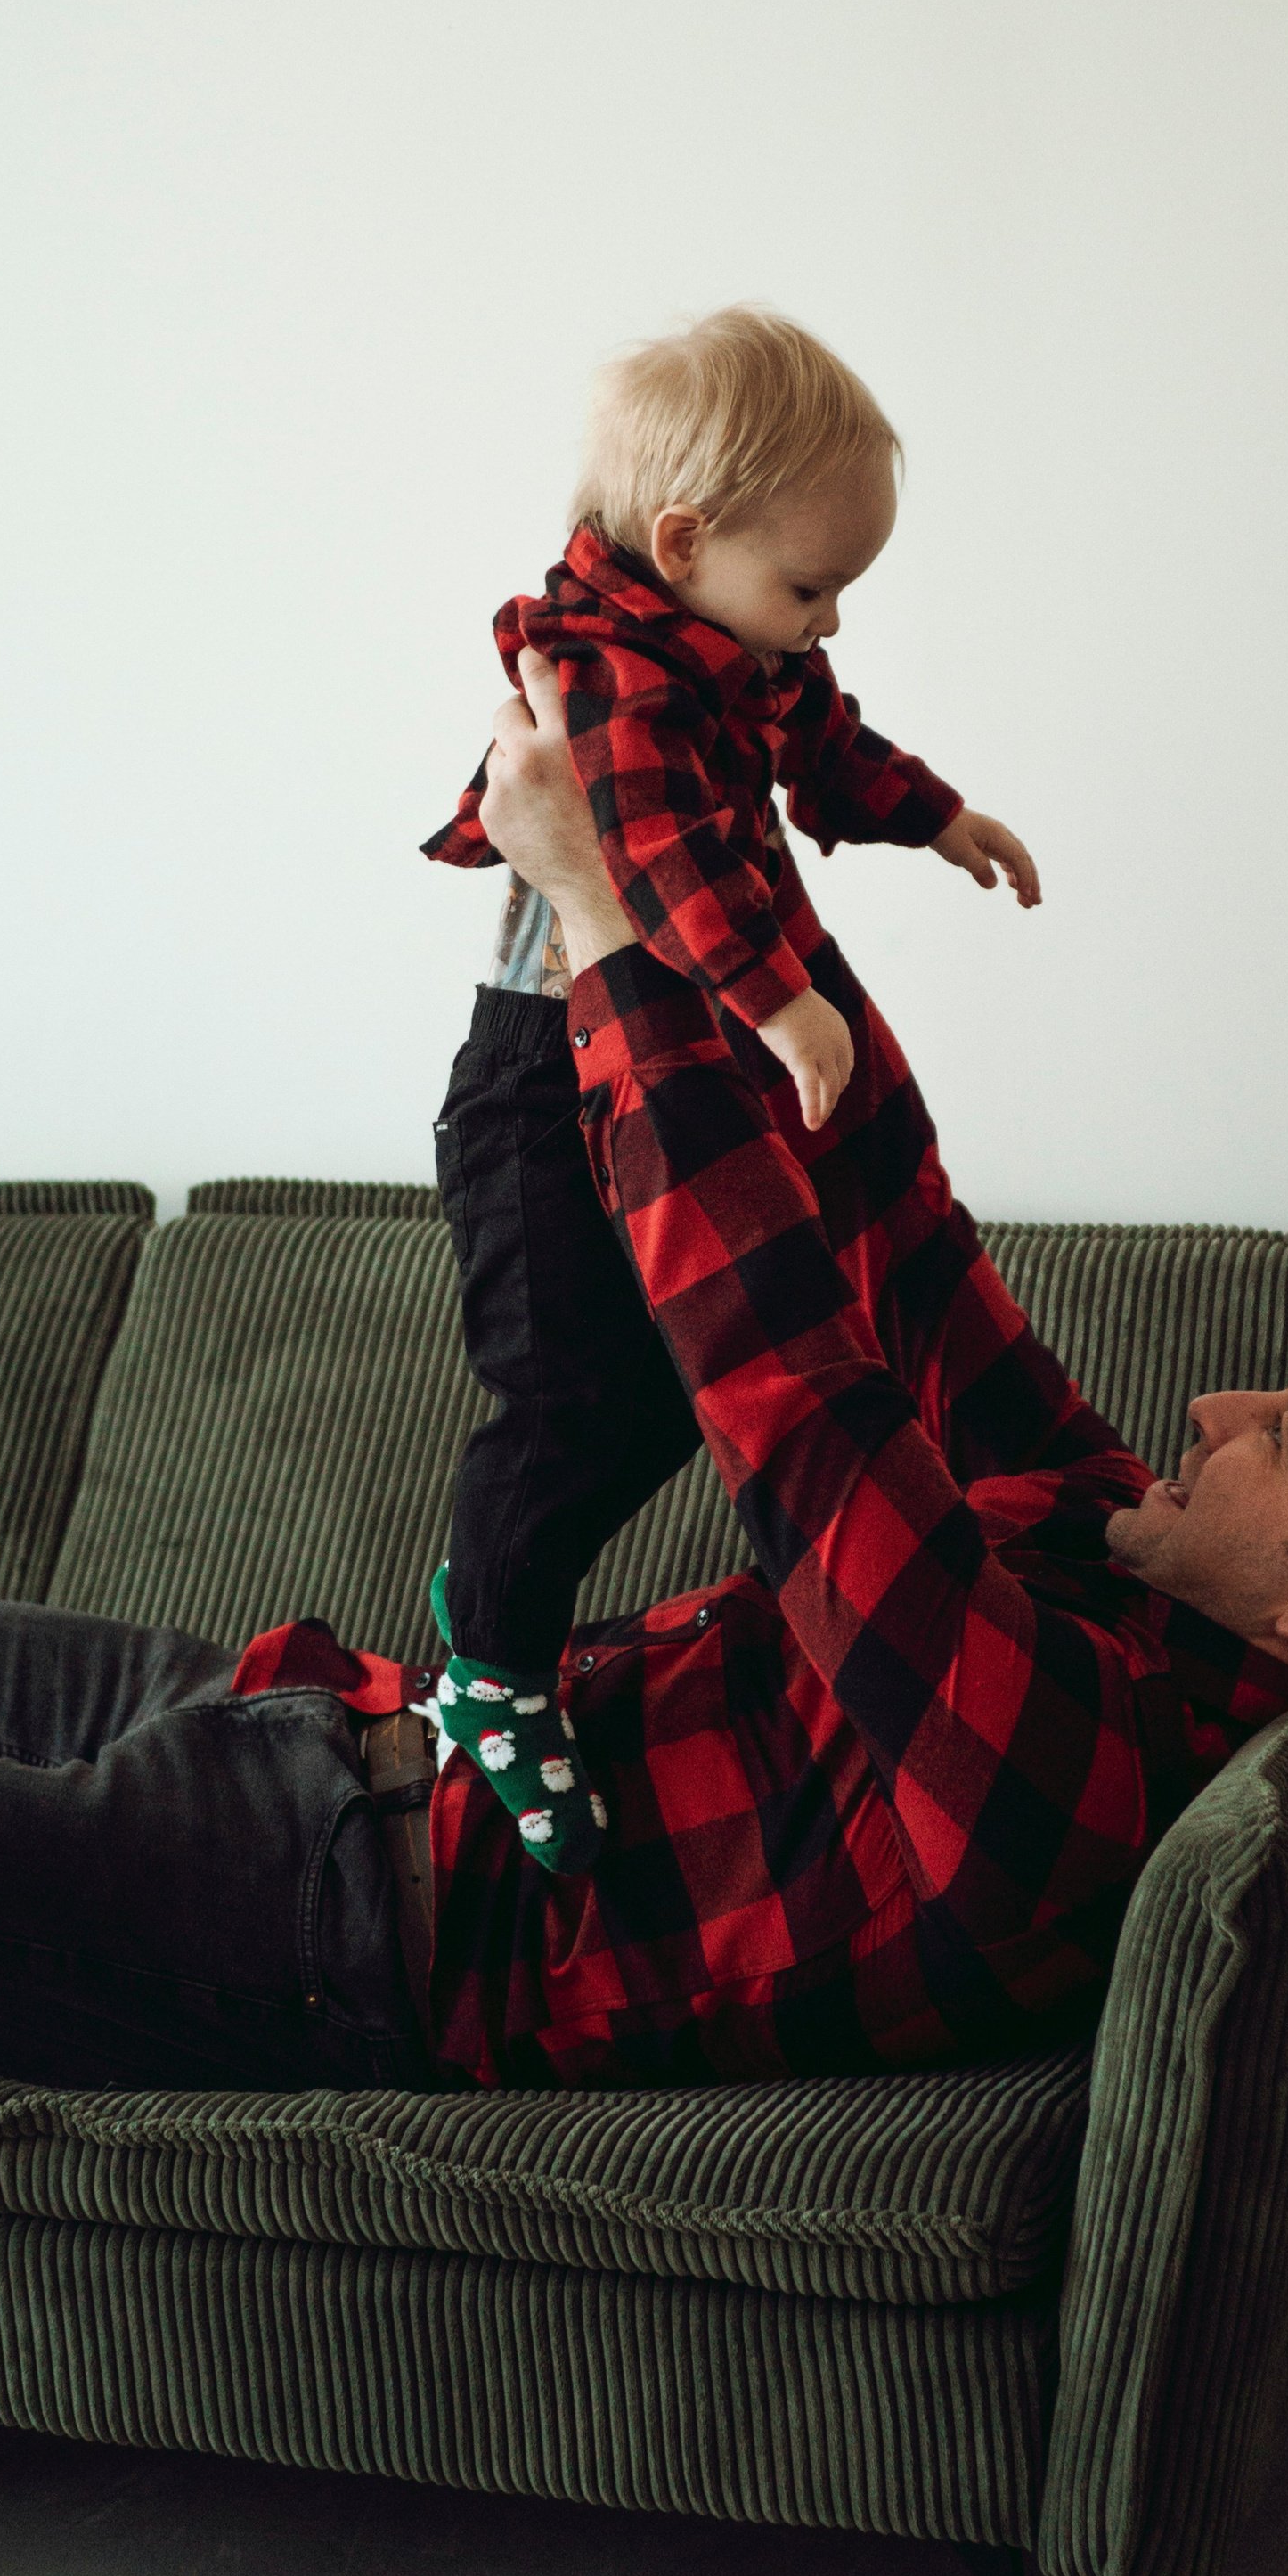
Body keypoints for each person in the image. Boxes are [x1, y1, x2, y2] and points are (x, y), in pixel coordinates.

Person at [0, 661, 1288, 2098]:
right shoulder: (1105, 1552)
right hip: (306, 1711)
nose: (1219, 1408)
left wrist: (604, 919)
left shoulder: (1076, 1778)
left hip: (311, 1915)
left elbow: (793, 1399)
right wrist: (746, 922)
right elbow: (902, 1242)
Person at [420, 307, 1048, 1869]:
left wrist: (941, 815)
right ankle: (486, 1660)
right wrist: (782, 999)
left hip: (641, 1062)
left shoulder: (735, 647)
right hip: (535, 1093)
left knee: (676, 1386)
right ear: (687, 539)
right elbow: (665, 860)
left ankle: (500, 1625)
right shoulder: (604, 681)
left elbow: (824, 745)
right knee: (572, 1395)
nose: (825, 625)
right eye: (811, 587)